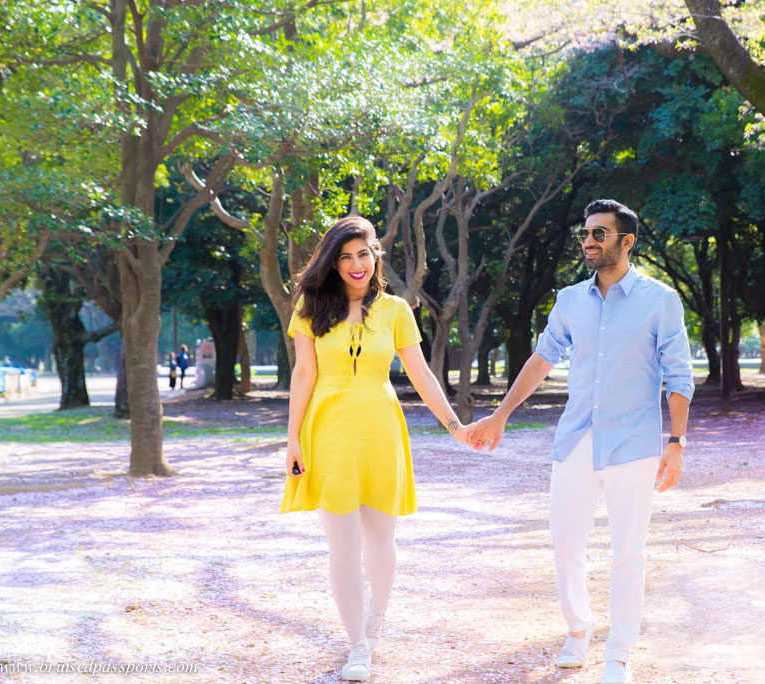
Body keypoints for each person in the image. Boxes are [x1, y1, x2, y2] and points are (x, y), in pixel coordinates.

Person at [469, 199, 694, 684]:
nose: (588, 242)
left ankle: (619, 654)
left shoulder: (660, 300)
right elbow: (542, 357)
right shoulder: (570, 299)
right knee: (565, 543)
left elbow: (679, 375)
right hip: (574, 441)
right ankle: (577, 631)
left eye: (599, 234)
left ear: (626, 241)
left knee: (628, 551)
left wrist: (676, 441)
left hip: (633, 444)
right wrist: (501, 415)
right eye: (586, 234)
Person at [280, 215, 471, 682]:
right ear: (333, 261)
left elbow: (422, 376)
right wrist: (292, 439)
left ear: (376, 256)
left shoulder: (396, 311)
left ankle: (376, 621)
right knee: (341, 548)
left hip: (381, 432)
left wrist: (455, 425)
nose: (355, 264)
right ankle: (357, 645)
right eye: (344, 256)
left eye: (362, 253)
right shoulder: (309, 307)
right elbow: (303, 374)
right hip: (326, 435)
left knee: (380, 547)